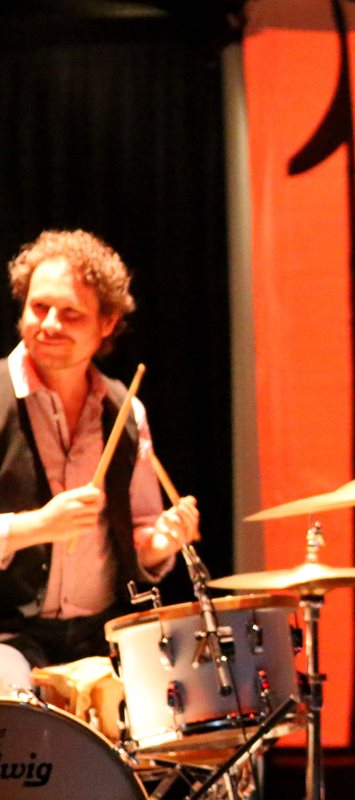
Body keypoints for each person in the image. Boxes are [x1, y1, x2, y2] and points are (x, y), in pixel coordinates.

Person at [0, 229, 200, 692]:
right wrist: (38, 526)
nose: (49, 323)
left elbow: (141, 532)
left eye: (70, 313)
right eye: (38, 307)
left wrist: (162, 540)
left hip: (103, 632)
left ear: (107, 323)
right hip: (8, 635)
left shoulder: (125, 411)